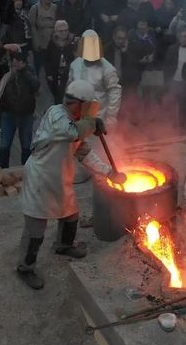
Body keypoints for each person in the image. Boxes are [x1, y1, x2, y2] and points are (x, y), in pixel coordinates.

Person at [17, 80, 126, 289]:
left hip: (59, 178)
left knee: (70, 214)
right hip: (40, 178)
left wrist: (109, 172)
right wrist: (93, 123)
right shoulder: (56, 115)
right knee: (36, 230)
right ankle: (25, 268)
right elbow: (71, 133)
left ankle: (63, 245)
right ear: (78, 104)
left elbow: (83, 152)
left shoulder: (76, 122)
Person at [68, 29, 122, 129]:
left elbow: (115, 92)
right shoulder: (75, 65)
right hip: (77, 118)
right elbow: (70, 88)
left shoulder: (107, 69)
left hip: (98, 119)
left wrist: (111, 117)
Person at [0, 52, 40, 168]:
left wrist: (23, 71)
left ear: (23, 62)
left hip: (26, 114)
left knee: (26, 144)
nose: (15, 64)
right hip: (8, 113)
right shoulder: (6, 71)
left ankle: (26, 170)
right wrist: (0, 49)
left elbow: (35, 85)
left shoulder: (29, 70)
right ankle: (1, 170)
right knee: (5, 144)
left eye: (18, 61)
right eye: (13, 61)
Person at [45, 20, 77, 105]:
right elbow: (47, 58)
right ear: (56, 32)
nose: (64, 33)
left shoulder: (73, 41)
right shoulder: (52, 42)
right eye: (61, 31)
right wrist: (48, 73)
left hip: (69, 74)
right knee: (57, 96)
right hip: (55, 74)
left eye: (66, 30)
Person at [29, 0, 57, 74]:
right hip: (40, 42)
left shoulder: (55, 7)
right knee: (39, 67)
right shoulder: (35, 8)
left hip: (52, 41)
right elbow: (32, 26)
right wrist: (35, 42)